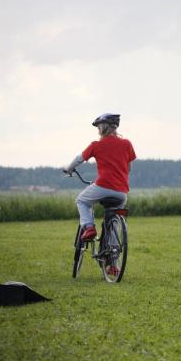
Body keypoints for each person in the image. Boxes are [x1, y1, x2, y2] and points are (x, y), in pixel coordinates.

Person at [63, 113, 136, 274]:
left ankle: (89, 228)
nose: (97, 130)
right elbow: (129, 168)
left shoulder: (96, 145)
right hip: (122, 191)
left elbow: (79, 159)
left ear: (103, 127)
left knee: (82, 200)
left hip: (103, 186)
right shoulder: (127, 144)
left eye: (98, 127)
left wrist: (68, 168)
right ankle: (112, 264)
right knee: (112, 222)